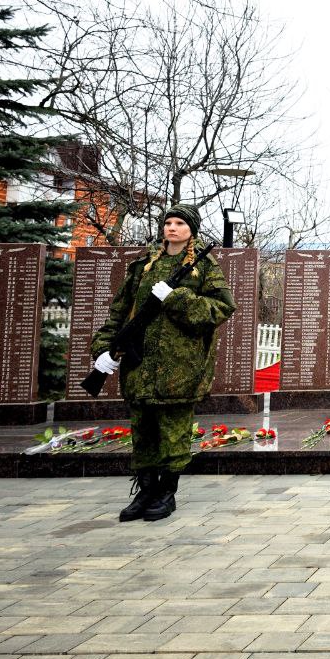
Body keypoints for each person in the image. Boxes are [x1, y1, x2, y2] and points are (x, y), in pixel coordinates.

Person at [90, 205, 235, 522]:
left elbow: (222, 307)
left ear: (191, 229)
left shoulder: (202, 266)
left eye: (180, 223)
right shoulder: (144, 264)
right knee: (142, 432)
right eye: (168, 222)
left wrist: (176, 298)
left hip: (180, 367)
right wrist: (102, 350)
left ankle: (166, 494)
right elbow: (120, 311)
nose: (172, 227)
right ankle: (145, 492)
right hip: (140, 366)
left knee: (173, 433)